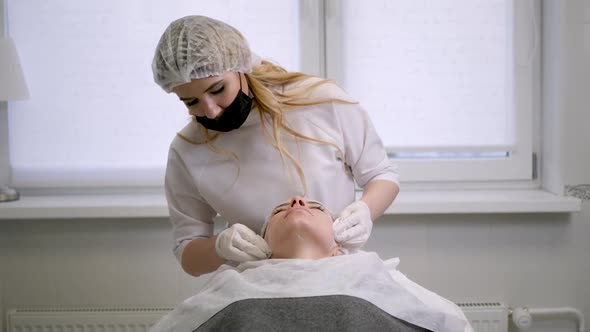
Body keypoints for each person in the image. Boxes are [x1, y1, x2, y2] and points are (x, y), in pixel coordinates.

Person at [152, 15, 400, 277]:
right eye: (191, 102)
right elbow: (188, 251)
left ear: (240, 66)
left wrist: (365, 210)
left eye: (217, 90)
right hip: (258, 289)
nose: (210, 111)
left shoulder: (320, 103)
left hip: (341, 277)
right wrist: (219, 247)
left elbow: (381, 175)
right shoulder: (188, 151)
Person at [150, 195, 474, 332]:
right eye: (280, 210)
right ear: (264, 246)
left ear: (338, 246)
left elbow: (449, 324)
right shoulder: (236, 283)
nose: (297, 201)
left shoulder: (366, 271)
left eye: (315, 206)